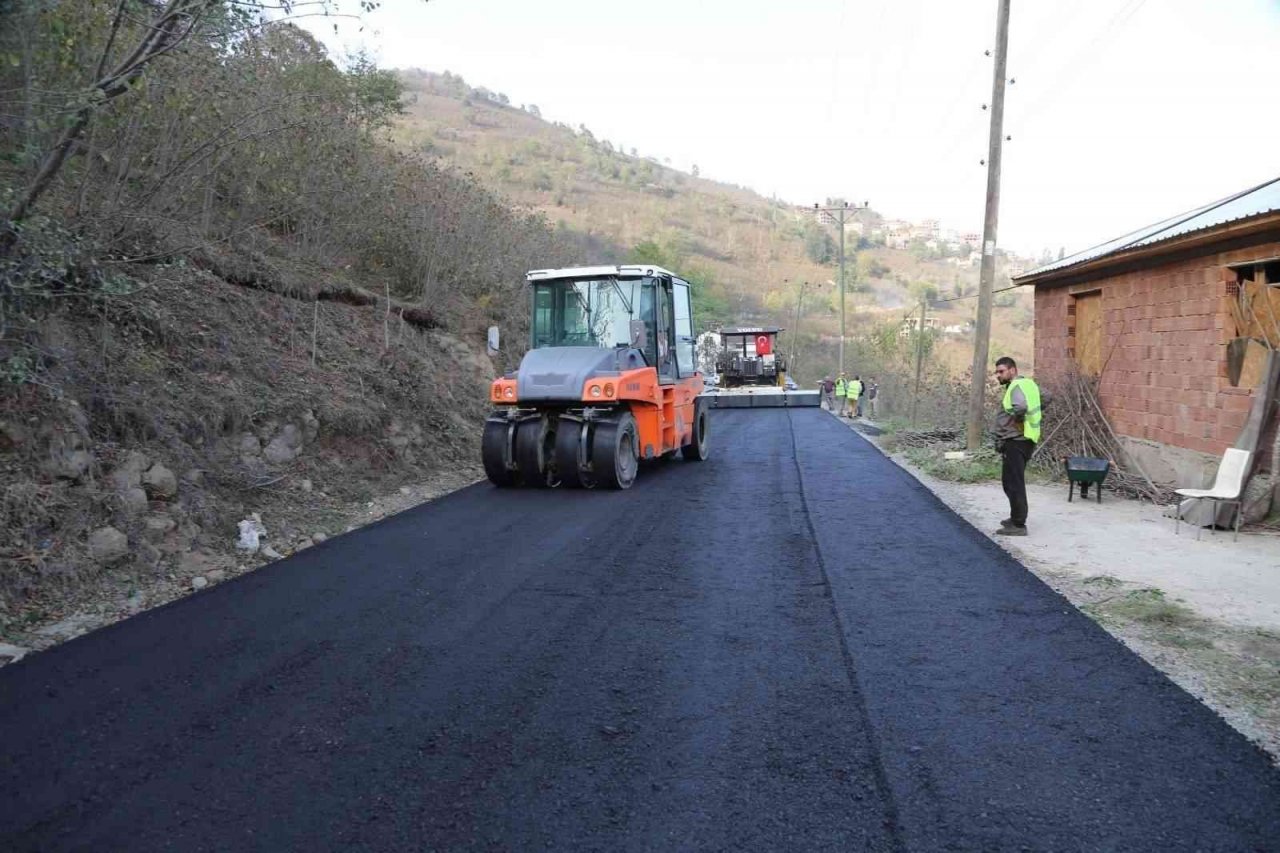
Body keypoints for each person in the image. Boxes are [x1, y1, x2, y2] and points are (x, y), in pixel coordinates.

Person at [993, 356, 1050, 536]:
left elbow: (1021, 407)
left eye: (1001, 371)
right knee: (1010, 481)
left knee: (1013, 482)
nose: (998, 375)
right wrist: (1035, 412)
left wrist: (1018, 421)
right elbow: (1047, 396)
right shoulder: (1029, 385)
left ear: (1012, 370)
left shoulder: (1016, 387)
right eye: (997, 372)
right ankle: (1015, 517)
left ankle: (1018, 524)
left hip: (1016, 440)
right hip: (1026, 439)